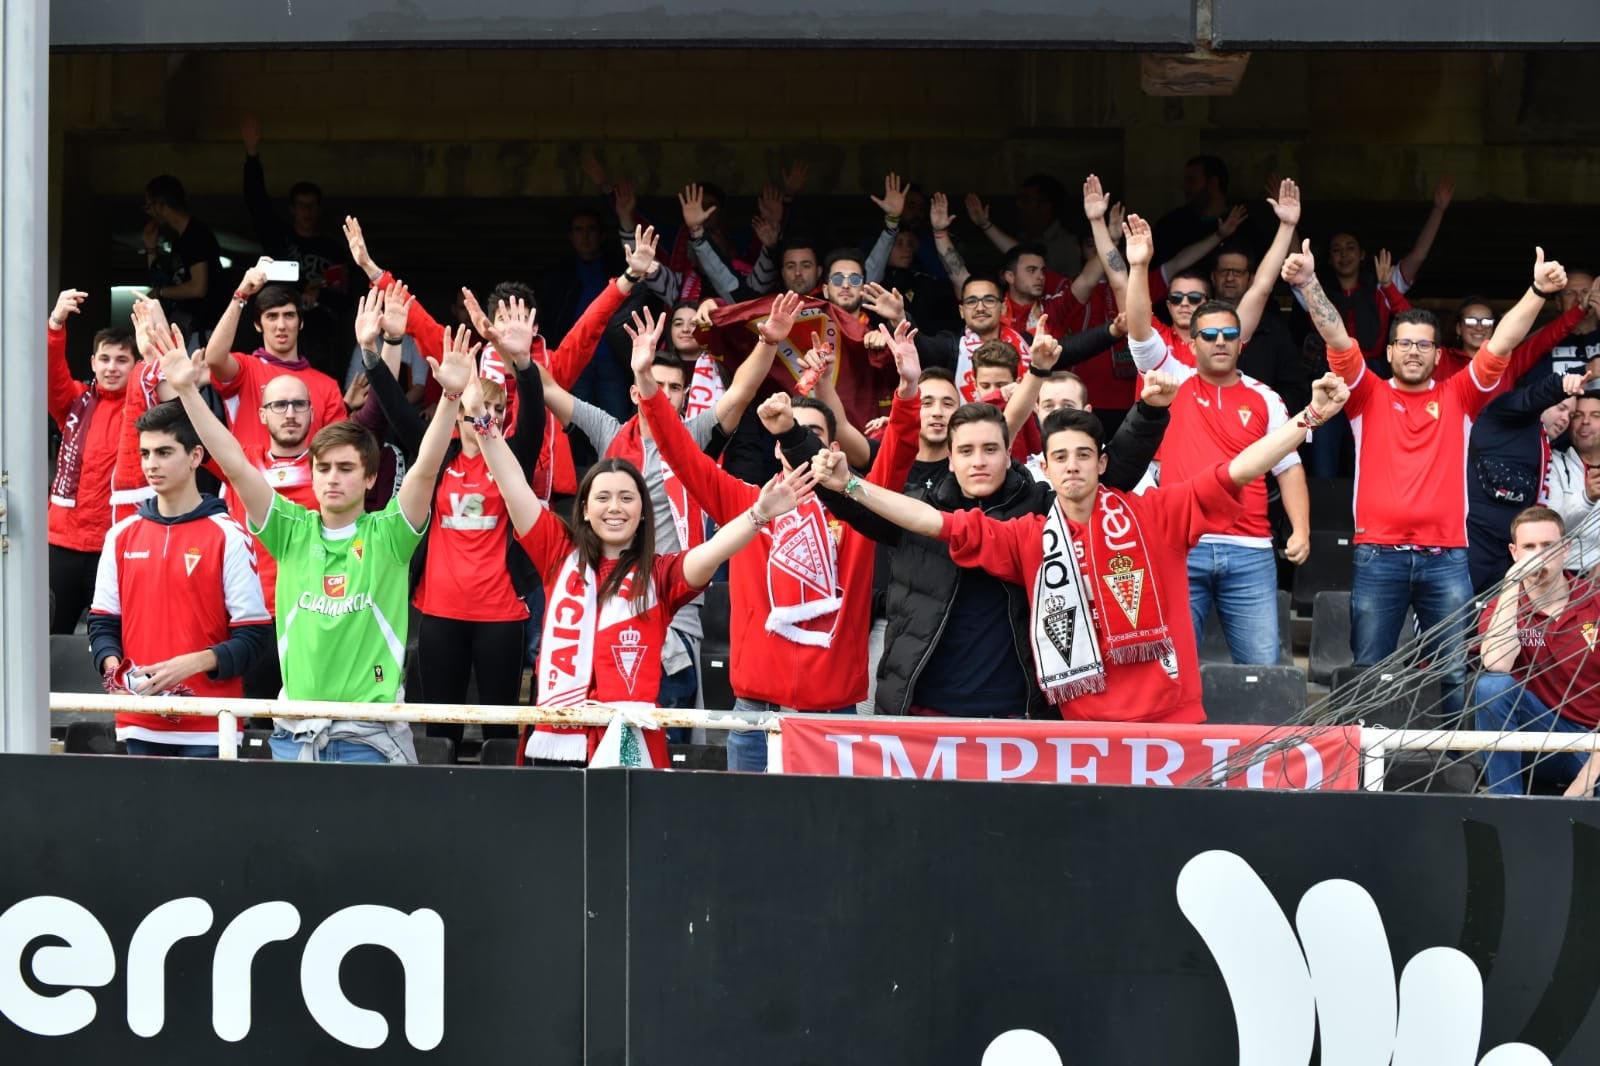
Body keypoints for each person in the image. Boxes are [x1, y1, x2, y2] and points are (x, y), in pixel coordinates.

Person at [808, 371, 1350, 723]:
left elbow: (1239, 468)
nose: (1072, 466)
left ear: (1102, 463)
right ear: (1044, 466)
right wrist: (852, 486)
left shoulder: (1157, 513)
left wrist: (1309, 418)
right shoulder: (1027, 535)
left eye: (1084, 455)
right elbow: (932, 521)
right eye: (1060, 456)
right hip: (1079, 730)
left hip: (1169, 723)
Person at [468, 337, 818, 766]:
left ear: (643, 512)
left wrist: (760, 512)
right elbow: (513, 485)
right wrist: (480, 419)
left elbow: (712, 550)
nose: (615, 507)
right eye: (603, 498)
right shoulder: (557, 551)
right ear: (584, 507)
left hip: (629, 752)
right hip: (555, 745)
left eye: (627, 498)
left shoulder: (662, 573)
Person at [157, 319, 478, 763]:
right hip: (296, 736)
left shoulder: (389, 534)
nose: (332, 478)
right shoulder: (292, 530)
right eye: (323, 468)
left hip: (371, 740)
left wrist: (451, 398)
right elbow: (234, 464)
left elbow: (425, 469)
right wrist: (188, 393)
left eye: (345, 469)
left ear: (369, 478)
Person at [1284, 237, 1567, 726]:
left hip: (1447, 558)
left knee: (1455, 670)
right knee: (1368, 670)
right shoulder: (1364, 394)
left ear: (1439, 356)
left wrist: (1537, 293)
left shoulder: (1459, 394)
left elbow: (1501, 342)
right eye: (1405, 343)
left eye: (1424, 345)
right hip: (1378, 555)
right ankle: (1362, 767)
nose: (1414, 352)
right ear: (1389, 350)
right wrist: (1309, 284)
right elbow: (1335, 336)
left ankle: (1458, 762)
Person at [644, 307, 925, 770]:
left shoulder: (860, 508)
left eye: (812, 433)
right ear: (776, 444)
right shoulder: (748, 504)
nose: (798, 441)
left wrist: (909, 390)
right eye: (790, 431)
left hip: (833, 719)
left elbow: (895, 458)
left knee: (831, 837)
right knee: (748, 840)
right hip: (754, 719)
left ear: (832, 448)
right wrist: (647, 384)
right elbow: (681, 454)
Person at [545, 293, 800, 712]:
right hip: (606, 599)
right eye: (655, 384)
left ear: (685, 395)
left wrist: (768, 342)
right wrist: (514, 353)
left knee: (671, 726)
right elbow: (549, 390)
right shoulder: (608, 430)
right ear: (634, 389)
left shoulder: (692, 437)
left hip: (674, 599)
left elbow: (739, 393)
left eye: (675, 387)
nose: (664, 394)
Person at [358, 286, 545, 750]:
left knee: (501, 730)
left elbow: (537, 418)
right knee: (440, 727)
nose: (479, 419)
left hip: (502, 614)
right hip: (439, 613)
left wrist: (522, 364)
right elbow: (396, 409)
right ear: (454, 413)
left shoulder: (511, 461)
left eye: (495, 411)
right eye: (465, 411)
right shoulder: (436, 457)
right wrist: (377, 350)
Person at [1124, 214, 1308, 664]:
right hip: (1181, 545)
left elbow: (1289, 468)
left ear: (1241, 342)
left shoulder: (1265, 398)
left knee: (1262, 669)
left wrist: (1301, 528)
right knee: (1172, 664)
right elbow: (1137, 328)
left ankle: (1263, 741)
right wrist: (1137, 267)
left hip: (1251, 550)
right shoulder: (1172, 376)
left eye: (1230, 334)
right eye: (1210, 335)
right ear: (1193, 342)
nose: (1221, 341)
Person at [87, 400, 272, 756]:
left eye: (164, 452)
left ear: (195, 456)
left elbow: (253, 637)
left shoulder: (229, 534)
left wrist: (191, 664)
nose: (151, 464)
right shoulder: (120, 534)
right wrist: (114, 669)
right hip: (138, 721)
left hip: (210, 724)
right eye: (145, 453)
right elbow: (102, 623)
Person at [1474, 506, 1600, 796]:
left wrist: (1587, 777)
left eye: (1548, 546)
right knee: (1492, 686)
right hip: (1534, 740)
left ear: (1566, 549)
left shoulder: (1594, 601)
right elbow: (1496, 664)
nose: (1539, 555)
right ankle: (1506, 804)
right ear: (1514, 552)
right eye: (1529, 547)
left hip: (1590, 744)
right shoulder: (1501, 606)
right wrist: (1511, 584)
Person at [47, 289, 137, 634]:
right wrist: (56, 323)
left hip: (117, 545)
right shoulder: (75, 403)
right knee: (50, 637)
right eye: (105, 359)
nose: (112, 367)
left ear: (135, 365)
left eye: (122, 360)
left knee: (118, 643)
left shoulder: (146, 410)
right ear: (93, 363)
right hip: (62, 543)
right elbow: (51, 373)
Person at [202, 260, 348, 456]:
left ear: (301, 322)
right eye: (271, 316)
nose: (281, 325)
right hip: (249, 485)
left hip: (305, 485)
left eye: (288, 315)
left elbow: (337, 451)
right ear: (257, 325)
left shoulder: (327, 386)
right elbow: (213, 358)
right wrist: (241, 294)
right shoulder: (245, 369)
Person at [1468, 369, 1592, 593]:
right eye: (1561, 407)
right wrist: (1559, 386)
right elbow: (1529, 398)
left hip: (1510, 553)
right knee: (1451, 623)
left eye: (1570, 414)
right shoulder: (1503, 417)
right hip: (1473, 545)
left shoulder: (1546, 442)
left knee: (1498, 623)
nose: (1565, 418)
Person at [142, 173, 225, 337]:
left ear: (160, 205)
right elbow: (162, 280)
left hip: (203, 330)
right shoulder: (180, 238)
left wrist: (160, 292)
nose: (149, 212)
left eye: (149, 206)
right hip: (190, 330)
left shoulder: (196, 235)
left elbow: (198, 287)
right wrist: (151, 248)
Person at [1545, 394, 1600, 575]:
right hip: (1564, 573)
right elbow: (1551, 527)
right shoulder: (1552, 462)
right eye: (1577, 415)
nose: (1585, 421)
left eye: (1595, 415)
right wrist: (1587, 498)